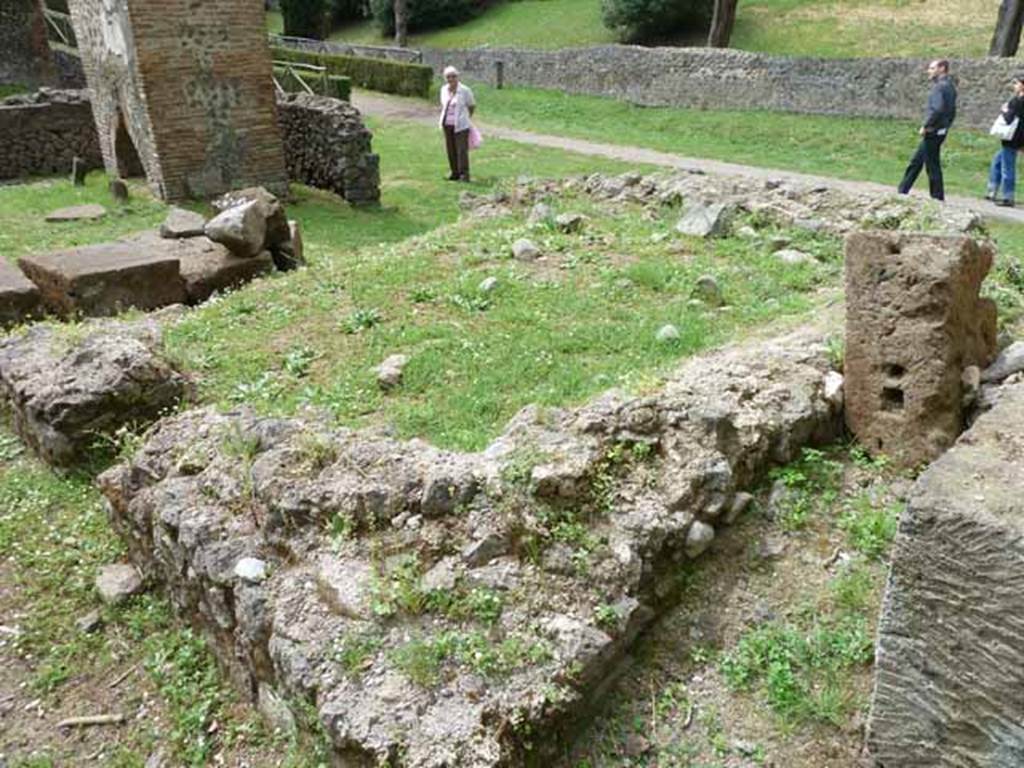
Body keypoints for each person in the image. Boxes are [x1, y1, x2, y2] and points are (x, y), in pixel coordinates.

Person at [897, 59, 957, 201]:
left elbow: (937, 109)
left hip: (933, 130)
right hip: (940, 130)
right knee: (917, 161)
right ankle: (903, 189)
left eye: (932, 68)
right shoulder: (950, 86)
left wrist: (926, 125)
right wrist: (946, 126)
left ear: (942, 69)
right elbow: (952, 111)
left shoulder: (939, 87)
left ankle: (937, 197)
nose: (928, 71)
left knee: (931, 164)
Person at [986, 75, 1024, 207]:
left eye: (1017, 83)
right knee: (997, 161)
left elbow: (1008, 119)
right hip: (1019, 138)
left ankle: (1008, 197)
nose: (1015, 86)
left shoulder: (1016, 101)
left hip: (1011, 138)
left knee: (1007, 167)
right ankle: (992, 190)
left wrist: (1004, 110)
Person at [439, 66, 475, 182]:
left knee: (461, 150)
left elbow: (471, 105)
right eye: (448, 77)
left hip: (461, 125)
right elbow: (444, 105)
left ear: (457, 77)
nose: (451, 79)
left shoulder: (465, 90)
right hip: (447, 124)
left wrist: (466, 118)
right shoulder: (444, 89)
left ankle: (464, 175)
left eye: (453, 76)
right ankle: (454, 173)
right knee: (450, 149)